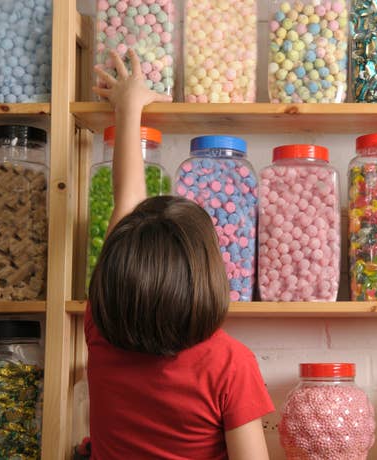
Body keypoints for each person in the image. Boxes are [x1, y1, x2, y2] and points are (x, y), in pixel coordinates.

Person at [85, 49, 274, 459]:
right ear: (208, 274)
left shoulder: (100, 329)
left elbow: (126, 200)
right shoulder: (229, 363)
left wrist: (128, 105)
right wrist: (130, 108)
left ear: (118, 271)